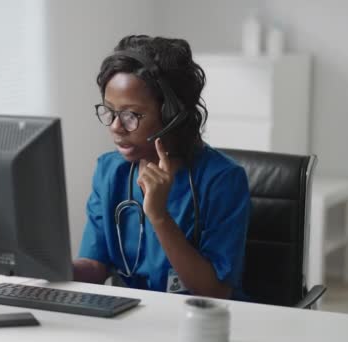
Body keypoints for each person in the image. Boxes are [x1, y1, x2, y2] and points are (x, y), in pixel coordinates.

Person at [73, 35, 250, 300]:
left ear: (171, 115)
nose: (115, 126)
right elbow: (95, 267)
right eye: (109, 111)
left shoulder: (222, 180)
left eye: (131, 115)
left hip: (199, 323)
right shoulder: (109, 171)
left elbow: (215, 291)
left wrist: (159, 216)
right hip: (131, 320)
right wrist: (45, 266)